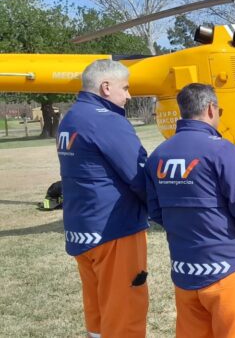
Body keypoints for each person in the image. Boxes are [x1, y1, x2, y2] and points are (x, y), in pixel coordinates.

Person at [145, 83, 235, 336]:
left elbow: (155, 209)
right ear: (211, 109)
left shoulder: (158, 155)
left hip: (184, 271)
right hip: (227, 269)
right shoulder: (221, 149)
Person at [56, 59, 149, 337]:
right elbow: (139, 176)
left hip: (82, 229)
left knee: (97, 310)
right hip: (115, 231)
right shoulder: (107, 121)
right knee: (124, 311)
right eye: (126, 88)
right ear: (106, 87)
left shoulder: (70, 118)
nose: (129, 96)